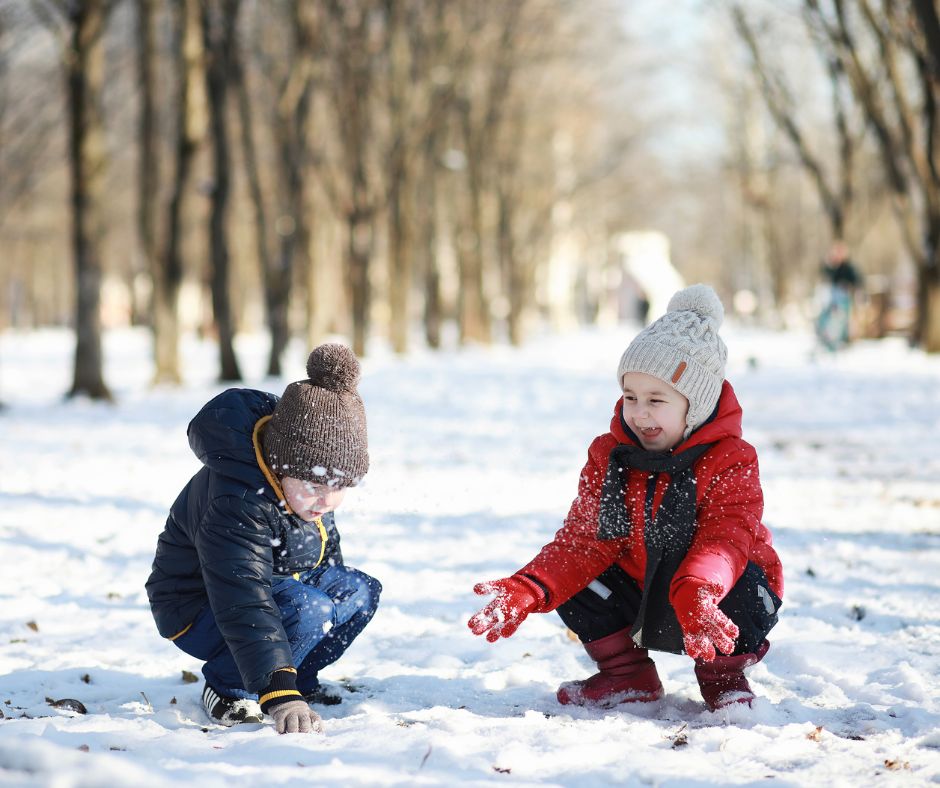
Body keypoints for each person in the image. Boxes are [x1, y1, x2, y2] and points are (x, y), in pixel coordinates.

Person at [468, 285, 783, 711]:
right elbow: (584, 539)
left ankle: (722, 676)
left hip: (712, 589)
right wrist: (530, 587)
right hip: (640, 581)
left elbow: (726, 539)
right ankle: (627, 675)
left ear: (699, 404)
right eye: (631, 397)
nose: (639, 413)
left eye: (657, 400)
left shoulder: (731, 460)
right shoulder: (610, 456)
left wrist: (697, 589)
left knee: (742, 583)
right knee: (576, 579)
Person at [146, 344, 381, 734]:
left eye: (340, 486)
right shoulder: (237, 500)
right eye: (316, 484)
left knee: (357, 591)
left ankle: (298, 678)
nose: (327, 499)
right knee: (312, 609)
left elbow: (324, 558)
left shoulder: (306, 491)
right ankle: (228, 687)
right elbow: (243, 598)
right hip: (201, 606)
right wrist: (278, 692)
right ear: (281, 464)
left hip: (274, 590)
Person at [817, 240, 862, 350]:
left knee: (841, 321)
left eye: (840, 252)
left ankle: (842, 341)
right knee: (829, 319)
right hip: (832, 298)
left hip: (843, 299)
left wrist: (848, 287)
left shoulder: (849, 268)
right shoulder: (832, 267)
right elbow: (825, 273)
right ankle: (828, 340)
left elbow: (857, 281)